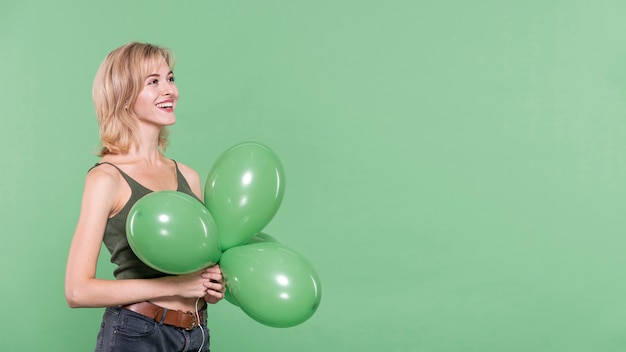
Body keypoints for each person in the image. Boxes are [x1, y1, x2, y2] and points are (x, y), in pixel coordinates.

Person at [65, 42, 224, 352]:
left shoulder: (188, 177)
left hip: (196, 334)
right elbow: (77, 290)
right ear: (123, 95)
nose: (170, 90)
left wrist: (212, 286)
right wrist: (174, 286)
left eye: (170, 78)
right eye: (153, 82)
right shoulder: (106, 179)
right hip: (138, 335)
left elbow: (197, 270)